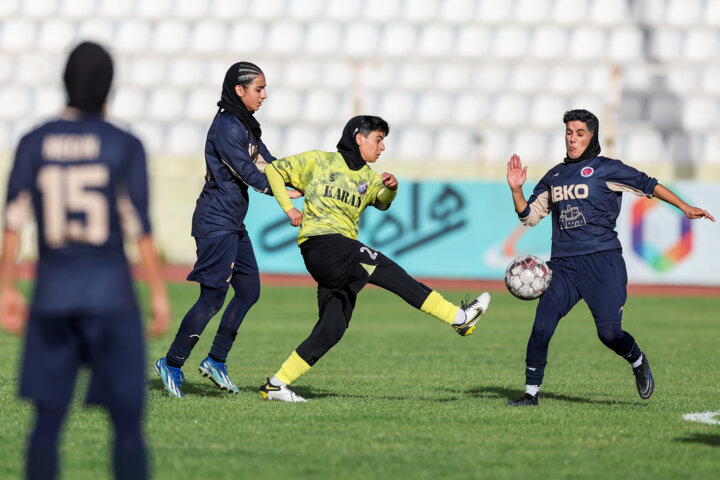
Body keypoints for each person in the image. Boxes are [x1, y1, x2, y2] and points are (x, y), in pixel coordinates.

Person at [0, 42, 170, 479]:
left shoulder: (34, 142)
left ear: (65, 81)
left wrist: (6, 287)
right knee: (128, 427)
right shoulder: (124, 144)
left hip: (53, 296)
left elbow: (14, 222)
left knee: (45, 425)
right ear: (110, 86)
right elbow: (140, 227)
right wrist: (157, 292)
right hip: (111, 297)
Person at [258, 115, 491, 402]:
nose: (382, 148)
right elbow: (273, 170)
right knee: (391, 271)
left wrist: (391, 189)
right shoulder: (319, 161)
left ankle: (276, 384)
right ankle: (459, 317)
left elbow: (381, 202)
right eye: (378, 140)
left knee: (333, 328)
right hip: (323, 245)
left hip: (339, 255)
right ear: (359, 138)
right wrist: (289, 209)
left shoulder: (368, 178)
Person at [505, 109, 715, 407]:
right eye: (568, 132)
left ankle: (638, 360)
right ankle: (530, 394)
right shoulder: (554, 176)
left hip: (603, 263)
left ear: (592, 137)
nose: (572, 138)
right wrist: (516, 189)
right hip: (563, 267)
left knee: (609, 334)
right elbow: (528, 216)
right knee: (541, 327)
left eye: (579, 133)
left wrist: (685, 207)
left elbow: (648, 183)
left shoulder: (606, 169)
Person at [154, 62, 301, 398]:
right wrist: (285, 197)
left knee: (249, 291)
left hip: (232, 222)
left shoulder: (246, 126)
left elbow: (270, 164)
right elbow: (250, 172)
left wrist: (304, 179)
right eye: (258, 89)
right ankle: (172, 363)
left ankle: (216, 360)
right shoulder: (226, 127)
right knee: (212, 298)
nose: (264, 95)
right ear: (239, 89)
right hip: (215, 221)